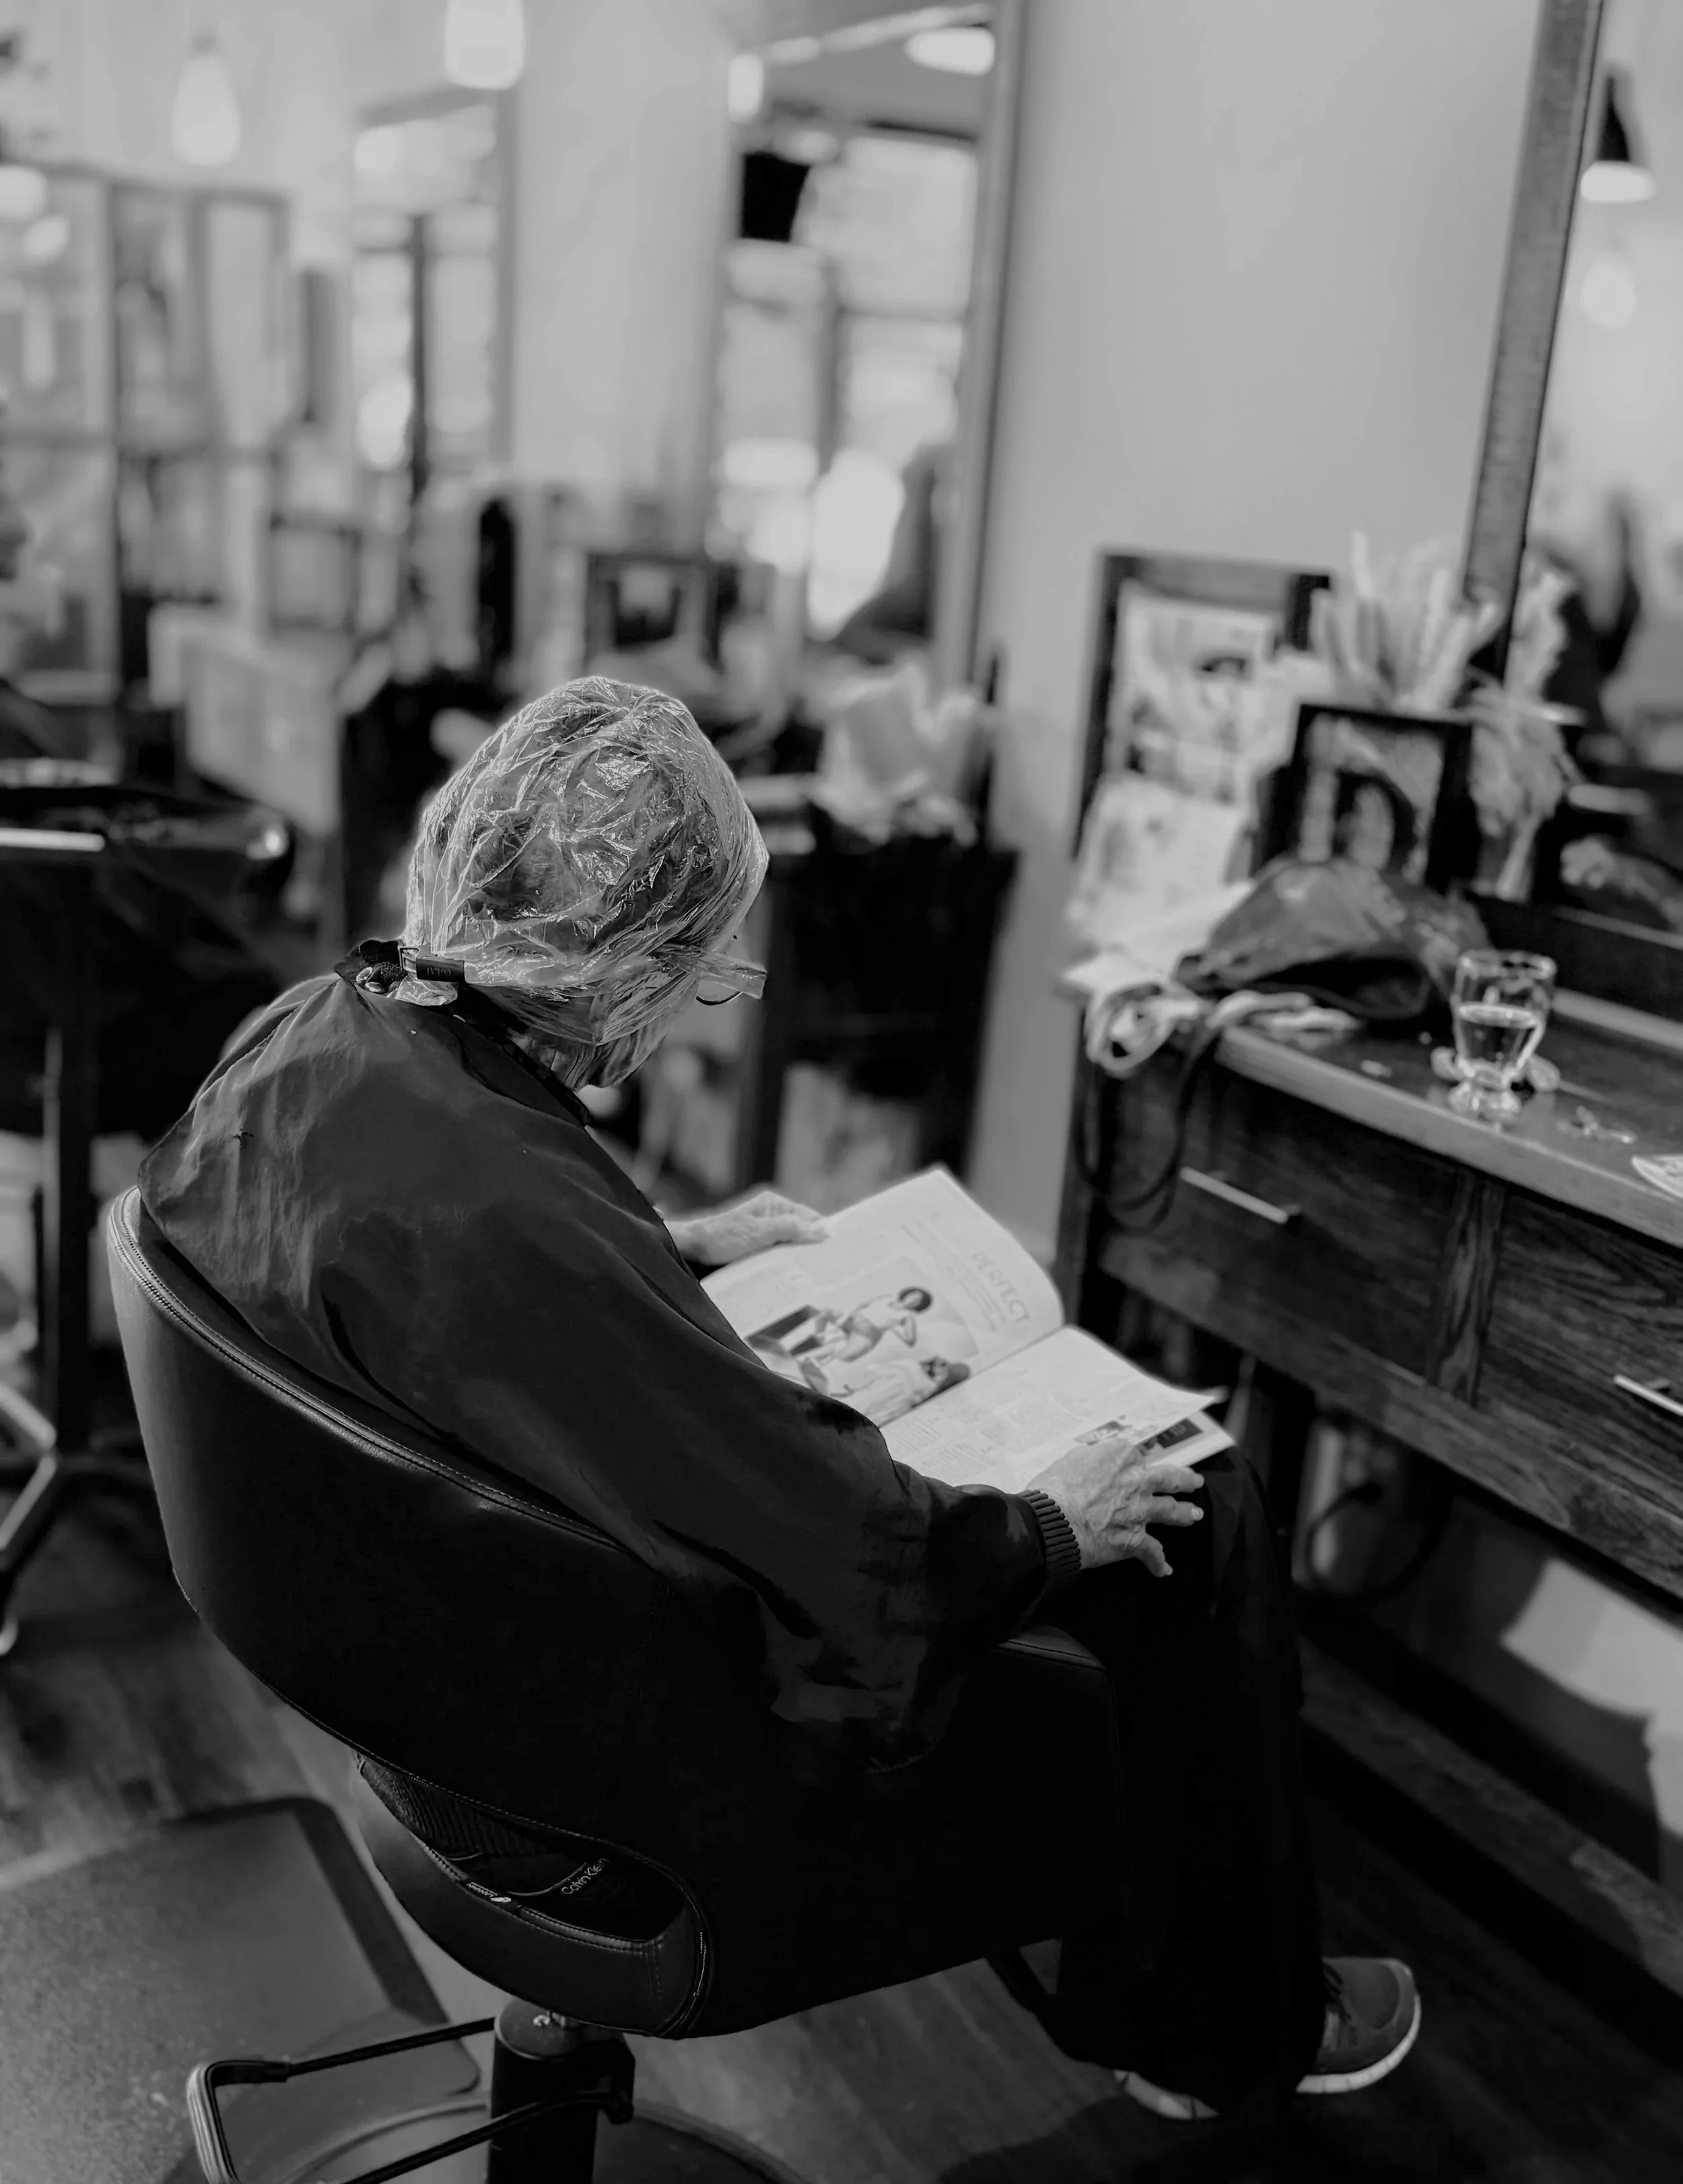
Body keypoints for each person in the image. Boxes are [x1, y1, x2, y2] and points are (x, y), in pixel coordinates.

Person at [139, 676, 1418, 2123]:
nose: (691, 1002)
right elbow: (862, 1556)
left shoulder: (322, 1029)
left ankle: (1181, 2001)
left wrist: (649, 1255)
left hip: (402, 1681)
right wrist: (1052, 1524)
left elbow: (370, 1268)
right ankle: (1223, 2030)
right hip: (575, 1771)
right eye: (698, 968)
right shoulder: (513, 1220)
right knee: (1194, 1501)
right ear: (613, 957)